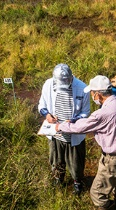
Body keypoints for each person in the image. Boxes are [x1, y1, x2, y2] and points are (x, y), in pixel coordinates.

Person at [56, 75, 116, 210]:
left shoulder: (102, 113)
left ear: (98, 94)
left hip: (113, 157)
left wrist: (60, 126)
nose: (92, 97)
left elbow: (81, 127)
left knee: (97, 192)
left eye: (92, 94)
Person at [37, 63, 90, 195]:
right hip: (55, 133)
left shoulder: (82, 88)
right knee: (56, 158)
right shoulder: (48, 84)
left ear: (71, 78)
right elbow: (41, 105)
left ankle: (77, 182)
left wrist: (72, 121)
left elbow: (85, 112)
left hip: (73, 132)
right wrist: (47, 115)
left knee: (76, 162)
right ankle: (58, 177)